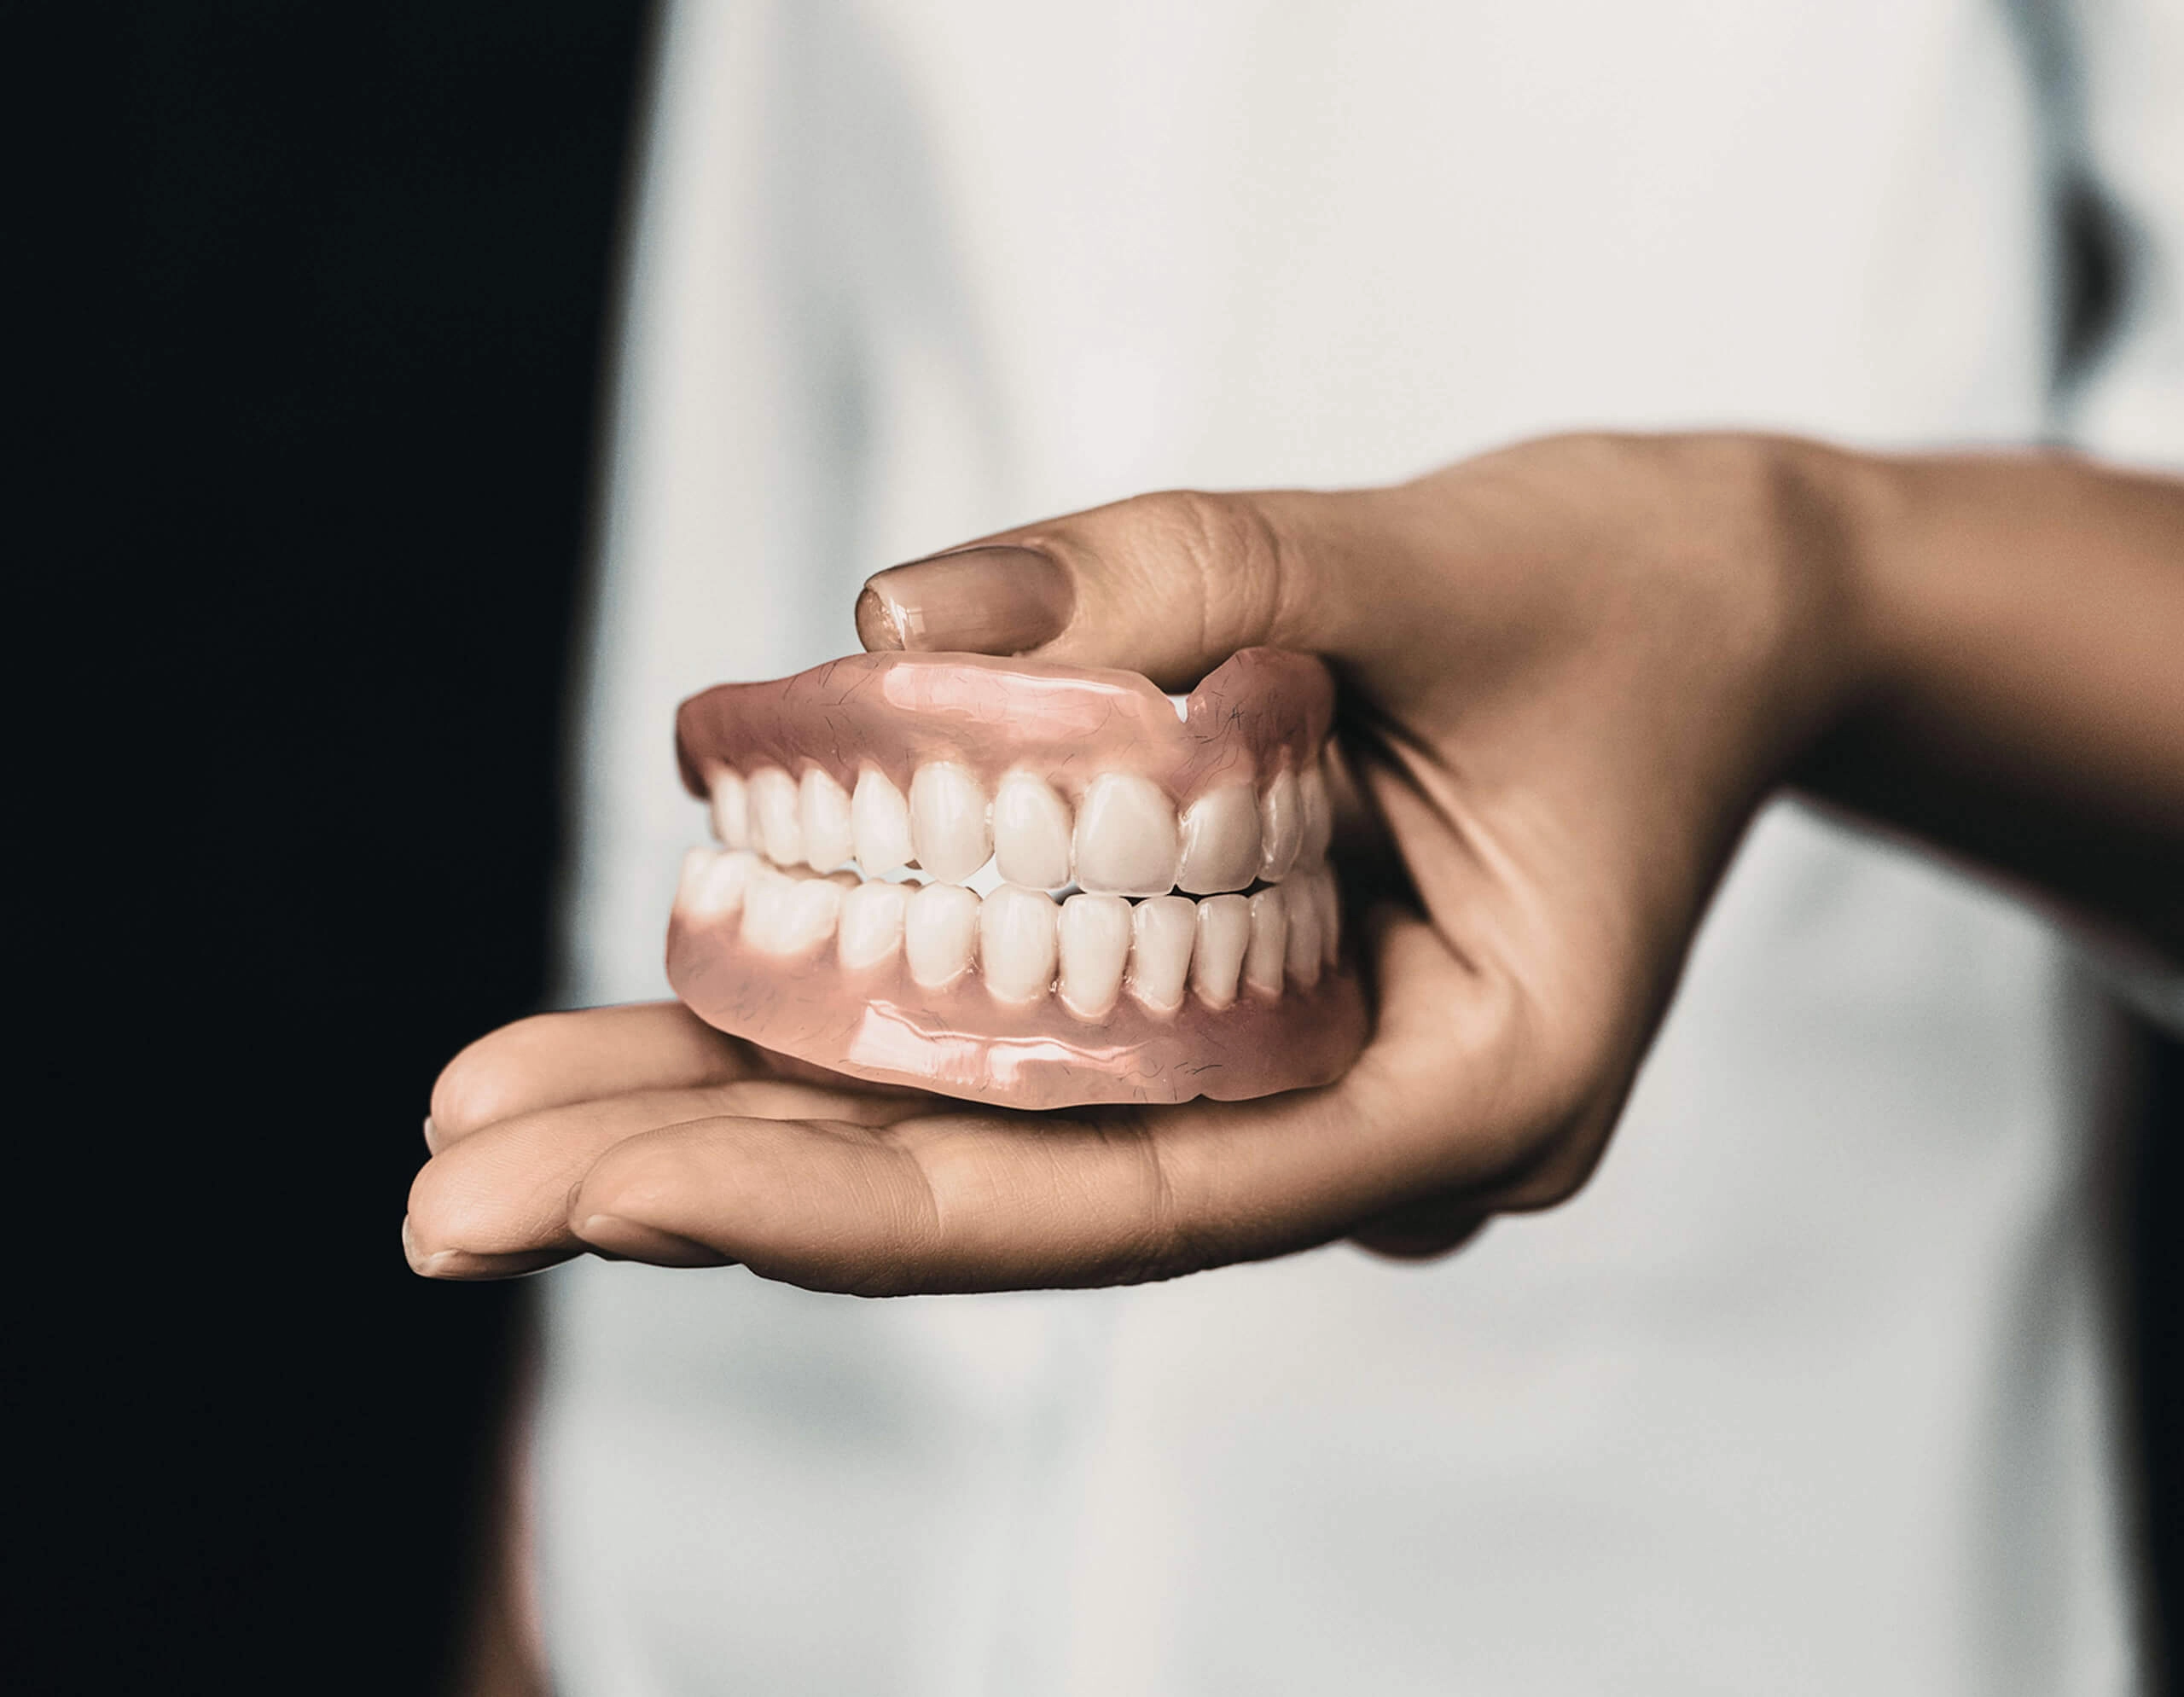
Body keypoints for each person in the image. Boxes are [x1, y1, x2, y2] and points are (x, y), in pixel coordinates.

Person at [410, 3, 2183, 1690]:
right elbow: (730, 500)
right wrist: (551, 1563)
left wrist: (1811, 584)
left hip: (1682, 1586)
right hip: (726, 1573)